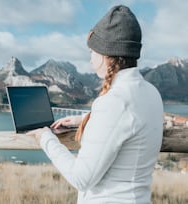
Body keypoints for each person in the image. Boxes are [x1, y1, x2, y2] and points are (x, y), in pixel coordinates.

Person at [27, 5, 164, 204]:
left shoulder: (114, 103)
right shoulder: (151, 93)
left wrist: (45, 137)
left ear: (107, 54)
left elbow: (81, 178)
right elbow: (130, 123)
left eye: (92, 52)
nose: (90, 60)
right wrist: (87, 118)